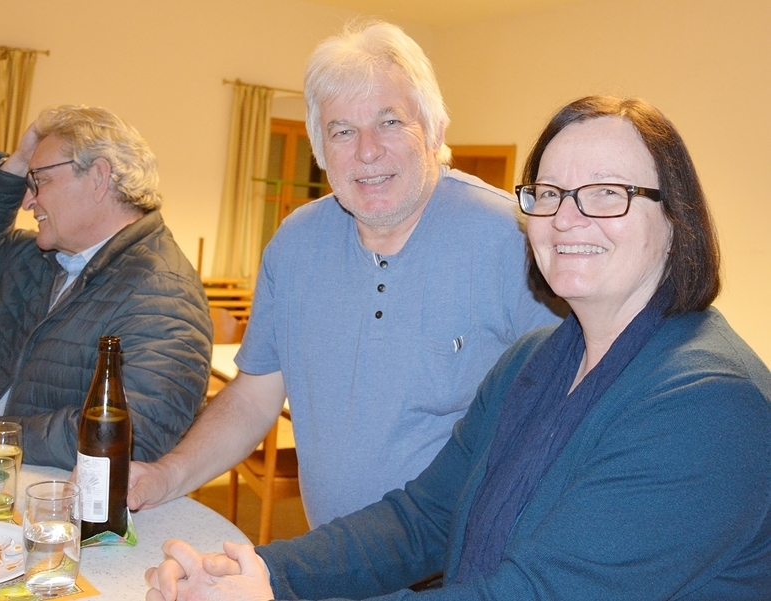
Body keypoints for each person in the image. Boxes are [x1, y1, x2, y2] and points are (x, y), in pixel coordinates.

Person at [144, 95, 771, 600]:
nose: (566, 217)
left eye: (608, 192)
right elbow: (424, 517)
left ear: (676, 220)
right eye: (549, 193)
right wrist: (265, 572)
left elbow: (534, 594)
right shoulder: (534, 361)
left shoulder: (709, 406)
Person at [127, 21, 559, 527]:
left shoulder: (513, 239)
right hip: (331, 553)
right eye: (342, 131)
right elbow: (252, 398)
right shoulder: (295, 244)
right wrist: (166, 475)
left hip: (464, 557)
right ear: (320, 149)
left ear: (435, 129)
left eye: (389, 122)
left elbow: (569, 411)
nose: (367, 151)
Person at [0, 105, 212, 471]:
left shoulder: (163, 293)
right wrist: (19, 160)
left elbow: (135, 432)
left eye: (40, 181)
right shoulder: (42, 258)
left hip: (48, 498)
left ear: (98, 177)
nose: (28, 201)